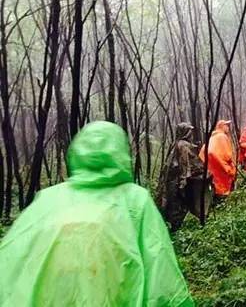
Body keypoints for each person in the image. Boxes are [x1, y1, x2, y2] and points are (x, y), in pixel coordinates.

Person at [0, 121, 194, 307]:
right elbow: (160, 272)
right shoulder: (135, 200)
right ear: (119, 153)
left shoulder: (48, 200)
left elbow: (12, 259)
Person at [155, 122, 213, 231]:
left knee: (174, 205)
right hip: (180, 182)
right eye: (189, 131)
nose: (191, 134)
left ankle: (173, 227)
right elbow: (188, 164)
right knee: (180, 205)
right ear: (185, 132)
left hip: (172, 181)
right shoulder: (184, 146)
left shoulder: (175, 144)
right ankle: (178, 229)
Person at [199, 120, 236, 197]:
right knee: (224, 184)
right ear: (222, 126)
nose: (228, 128)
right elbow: (227, 155)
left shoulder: (212, 137)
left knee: (215, 183)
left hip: (211, 166)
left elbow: (202, 152)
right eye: (226, 125)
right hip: (220, 165)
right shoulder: (222, 136)